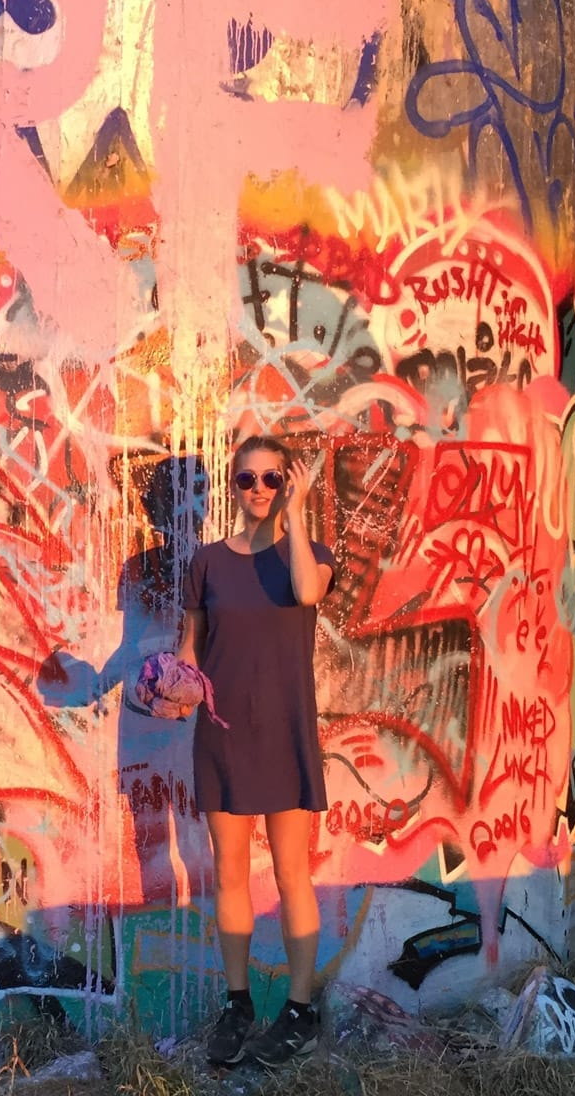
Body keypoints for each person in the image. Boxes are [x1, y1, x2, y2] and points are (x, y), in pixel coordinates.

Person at [177, 434, 336, 1067]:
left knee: (294, 875)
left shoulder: (313, 555)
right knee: (232, 876)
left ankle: (300, 1009)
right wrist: (172, 684)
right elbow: (192, 648)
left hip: (287, 734)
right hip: (222, 735)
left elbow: (305, 593)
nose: (260, 491)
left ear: (290, 482)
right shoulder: (208, 562)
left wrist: (295, 517)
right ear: (232, 486)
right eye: (247, 480)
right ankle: (238, 1002)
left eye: (272, 479)